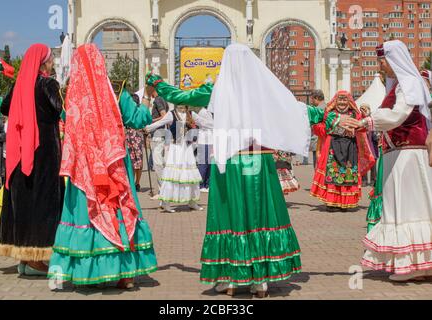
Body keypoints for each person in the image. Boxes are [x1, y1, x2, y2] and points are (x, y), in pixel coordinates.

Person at [145, 43, 354, 297]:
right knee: (260, 216)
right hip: (260, 162)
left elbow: (179, 96)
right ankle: (260, 281)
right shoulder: (263, 91)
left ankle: (231, 277)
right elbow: (298, 109)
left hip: (230, 164)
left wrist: (157, 81)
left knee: (231, 218)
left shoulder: (215, 90)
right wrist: (331, 118)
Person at [48, 44, 157, 289]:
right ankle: (125, 275)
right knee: (118, 209)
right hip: (114, 164)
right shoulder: (117, 90)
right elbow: (139, 119)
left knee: (88, 214)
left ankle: (89, 273)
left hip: (84, 171)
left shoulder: (69, 93)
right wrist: (148, 96)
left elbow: (67, 125)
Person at [348, 40, 432, 282]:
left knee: (409, 207)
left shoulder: (409, 83)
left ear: (394, 59)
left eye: (382, 60)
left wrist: (365, 122)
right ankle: (419, 264)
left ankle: (414, 266)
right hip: (400, 154)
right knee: (409, 206)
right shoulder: (400, 85)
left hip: (408, 156)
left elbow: (398, 115)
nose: (380, 65)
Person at [0, 44, 65, 275]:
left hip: (21, 152)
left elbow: (4, 107)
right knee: (44, 202)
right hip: (44, 153)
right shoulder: (48, 84)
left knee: (23, 201)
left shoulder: (19, 85)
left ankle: (23, 259)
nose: (52, 63)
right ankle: (36, 260)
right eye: (50, 60)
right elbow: (58, 109)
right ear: (43, 62)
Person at [310, 91, 375, 212]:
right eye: (340, 100)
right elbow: (319, 128)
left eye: (345, 100)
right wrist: (332, 126)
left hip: (350, 146)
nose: (342, 103)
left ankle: (344, 203)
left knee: (347, 174)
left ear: (349, 102)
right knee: (333, 174)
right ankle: (332, 203)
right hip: (332, 146)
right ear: (335, 101)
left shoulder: (355, 114)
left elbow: (363, 128)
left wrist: (365, 119)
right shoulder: (329, 114)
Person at [144, 105, 203, 213]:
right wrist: (146, 128)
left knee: (189, 175)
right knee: (172, 176)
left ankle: (192, 201)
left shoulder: (191, 114)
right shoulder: (171, 114)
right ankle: (165, 203)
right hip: (176, 149)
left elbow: (204, 123)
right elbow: (159, 123)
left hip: (188, 149)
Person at [148, 85, 170, 200]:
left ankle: (163, 191)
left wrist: (150, 121)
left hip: (158, 134)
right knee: (160, 163)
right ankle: (163, 189)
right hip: (162, 133)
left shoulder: (158, 99)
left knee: (158, 163)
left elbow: (164, 116)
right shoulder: (163, 99)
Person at [125, 93, 145, 191]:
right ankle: (134, 182)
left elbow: (143, 123)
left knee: (137, 161)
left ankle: (137, 182)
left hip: (135, 136)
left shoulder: (138, 111)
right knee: (133, 160)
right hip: (131, 136)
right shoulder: (129, 111)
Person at [192, 108, 214, 192]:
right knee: (203, 164)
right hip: (204, 141)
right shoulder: (203, 112)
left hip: (210, 140)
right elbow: (205, 123)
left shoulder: (208, 111)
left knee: (209, 164)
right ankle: (201, 185)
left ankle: (207, 184)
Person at [309, 90, 326, 168]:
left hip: (318, 141)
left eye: (312, 99)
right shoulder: (328, 107)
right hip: (324, 141)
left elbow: (313, 125)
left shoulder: (317, 109)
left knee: (318, 165)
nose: (311, 101)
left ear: (316, 98)